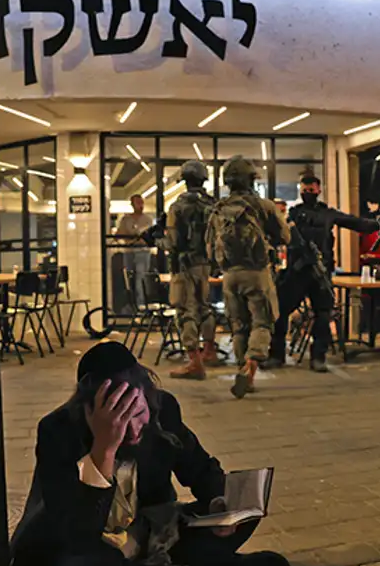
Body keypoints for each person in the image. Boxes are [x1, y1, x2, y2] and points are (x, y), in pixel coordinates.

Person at [9, 341, 292, 566]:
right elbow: (78, 533)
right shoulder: (58, 431)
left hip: (153, 530)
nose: (133, 431)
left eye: (139, 414)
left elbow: (200, 468)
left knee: (245, 513)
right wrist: (103, 449)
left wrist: (220, 502)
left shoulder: (163, 407)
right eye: (121, 421)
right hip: (91, 545)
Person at [265, 174, 378, 372]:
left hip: (320, 272)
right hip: (296, 272)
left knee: (323, 314)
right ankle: (276, 355)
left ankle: (318, 357)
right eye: (304, 189)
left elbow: (358, 224)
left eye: (311, 190)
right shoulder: (293, 214)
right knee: (280, 313)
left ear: (318, 190)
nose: (308, 193)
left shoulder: (328, 214)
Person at [207, 156, 290, 398]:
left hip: (229, 275)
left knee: (239, 326)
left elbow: (209, 247)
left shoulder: (218, 209)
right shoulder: (263, 206)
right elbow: (285, 237)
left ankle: (244, 373)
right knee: (262, 322)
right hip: (257, 272)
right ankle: (250, 367)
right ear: (250, 179)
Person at [166, 161, 220, 380]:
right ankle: (209, 350)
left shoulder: (177, 207)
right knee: (205, 308)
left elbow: (172, 242)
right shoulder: (213, 205)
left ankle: (194, 362)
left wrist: (156, 239)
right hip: (206, 265)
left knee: (186, 311)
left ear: (185, 181)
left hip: (185, 266)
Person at [118, 195, 155, 308]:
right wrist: (133, 237)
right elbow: (120, 234)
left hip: (143, 252)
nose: (141, 205)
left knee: (141, 278)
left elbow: (150, 237)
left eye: (142, 202)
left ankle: (141, 306)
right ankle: (132, 305)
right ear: (132, 204)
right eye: (138, 203)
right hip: (129, 251)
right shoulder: (126, 219)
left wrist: (137, 238)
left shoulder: (148, 219)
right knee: (130, 279)